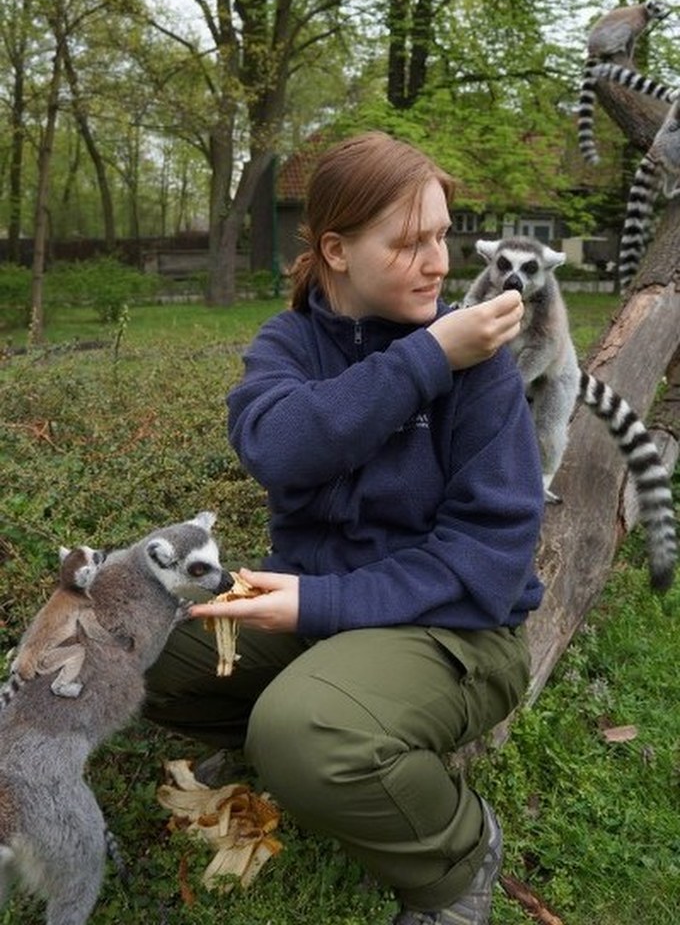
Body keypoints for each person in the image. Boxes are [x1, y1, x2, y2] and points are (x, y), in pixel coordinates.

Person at [144, 131, 545, 925]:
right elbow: (280, 448)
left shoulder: (481, 363)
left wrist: (321, 604)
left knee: (305, 732)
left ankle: (457, 854)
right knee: (132, 635)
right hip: (320, 612)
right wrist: (425, 358)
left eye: (442, 237)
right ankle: (297, 741)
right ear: (336, 250)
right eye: (409, 243)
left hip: (460, 629)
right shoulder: (291, 343)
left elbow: (486, 558)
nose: (438, 263)